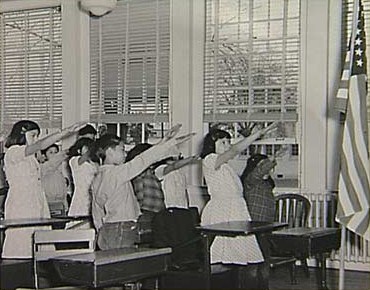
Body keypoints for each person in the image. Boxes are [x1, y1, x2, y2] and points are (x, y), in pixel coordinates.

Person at [90, 124, 194, 250]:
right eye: (122, 149)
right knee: (124, 265)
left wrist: (101, 229)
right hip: (123, 228)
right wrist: (168, 144)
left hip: (107, 229)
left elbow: (96, 210)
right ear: (110, 152)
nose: (125, 153)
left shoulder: (98, 177)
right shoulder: (118, 173)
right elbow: (143, 160)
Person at [199, 122, 277, 289]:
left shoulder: (225, 166)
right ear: (212, 145)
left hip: (236, 211)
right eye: (223, 143)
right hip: (222, 213)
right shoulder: (209, 160)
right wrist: (256, 135)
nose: (228, 146)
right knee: (221, 257)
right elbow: (235, 150)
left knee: (245, 256)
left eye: (228, 142)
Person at [1, 120, 86, 258]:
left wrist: (67, 152)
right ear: (21, 133)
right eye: (33, 135)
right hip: (21, 204)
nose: (36, 139)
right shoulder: (13, 152)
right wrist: (65, 132)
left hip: (37, 202)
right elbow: (40, 145)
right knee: (21, 242)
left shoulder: (31, 159)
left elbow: (47, 167)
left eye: (37, 136)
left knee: (40, 241)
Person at [125, 143, 166, 231]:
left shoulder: (150, 172)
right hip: (146, 212)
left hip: (157, 213)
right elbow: (138, 194)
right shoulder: (139, 172)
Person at [66, 137, 99, 229]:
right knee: (78, 223)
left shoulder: (95, 163)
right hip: (81, 195)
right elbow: (84, 158)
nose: (89, 149)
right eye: (86, 147)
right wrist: (95, 146)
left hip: (93, 195)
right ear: (79, 149)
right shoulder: (74, 161)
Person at [241, 153, 277, 222]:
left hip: (266, 220)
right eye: (261, 164)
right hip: (253, 221)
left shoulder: (267, 184)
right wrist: (274, 157)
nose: (267, 168)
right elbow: (259, 172)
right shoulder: (250, 181)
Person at [40, 143, 69, 215]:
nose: (54, 155)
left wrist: (65, 204)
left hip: (60, 204)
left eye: (56, 152)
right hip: (48, 203)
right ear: (44, 156)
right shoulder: (43, 168)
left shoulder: (60, 172)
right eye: (51, 152)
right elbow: (52, 163)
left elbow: (64, 191)